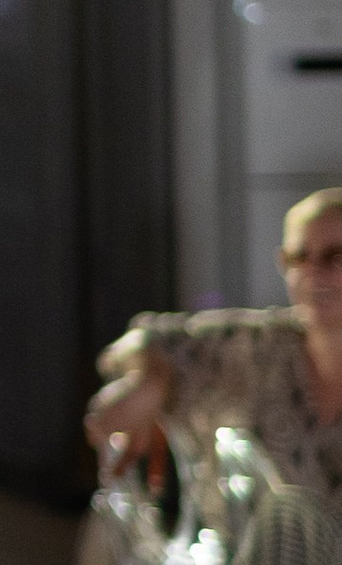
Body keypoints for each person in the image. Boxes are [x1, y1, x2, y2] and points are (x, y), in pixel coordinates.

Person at [86, 185, 342, 514]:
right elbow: (146, 339)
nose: (312, 274)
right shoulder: (261, 348)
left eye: (335, 257)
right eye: (298, 258)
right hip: (254, 563)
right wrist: (149, 381)